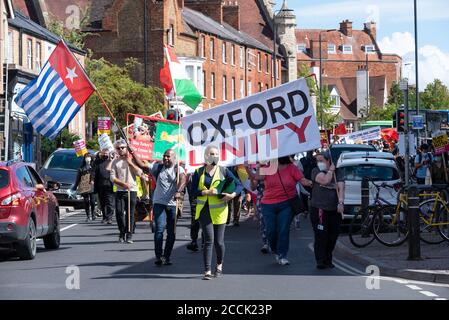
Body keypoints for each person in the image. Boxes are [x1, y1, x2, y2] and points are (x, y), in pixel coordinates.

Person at [248, 155, 312, 265]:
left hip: (286, 204)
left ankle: (282, 255)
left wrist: (314, 182)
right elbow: (255, 177)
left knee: (283, 230)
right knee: (270, 230)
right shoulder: (267, 167)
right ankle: (275, 249)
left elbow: (303, 180)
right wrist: (246, 168)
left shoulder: (292, 168)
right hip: (268, 204)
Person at [191, 145, 243, 280]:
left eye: (216, 154)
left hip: (220, 210)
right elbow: (192, 192)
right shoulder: (198, 172)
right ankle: (207, 270)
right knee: (208, 240)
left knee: (218, 242)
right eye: (212, 154)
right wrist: (206, 192)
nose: (214, 156)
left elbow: (239, 185)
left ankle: (219, 265)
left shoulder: (224, 171)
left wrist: (232, 195)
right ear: (206, 156)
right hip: (204, 210)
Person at [148, 149, 187, 266]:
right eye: (164, 156)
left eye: (168, 156)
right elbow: (142, 165)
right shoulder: (158, 167)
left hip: (172, 204)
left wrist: (178, 191)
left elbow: (183, 180)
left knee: (171, 232)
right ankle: (158, 256)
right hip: (159, 202)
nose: (165, 158)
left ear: (174, 158)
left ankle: (167, 256)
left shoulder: (178, 168)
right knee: (159, 229)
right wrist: (133, 153)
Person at [310, 151, 345, 269]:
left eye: (321, 160)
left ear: (329, 160)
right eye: (317, 161)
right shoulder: (315, 171)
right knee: (321, 235)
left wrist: (341, 202)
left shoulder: (338, 172)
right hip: (319, 208)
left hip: (333, 209)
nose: (319, 163)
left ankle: (328, 259)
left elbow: (341, 188)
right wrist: (330, 170)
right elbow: (324, 180)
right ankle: (320, 260)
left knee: (333, 236)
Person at [110, 140, 143, 243]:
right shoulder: (115, 161)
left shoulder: (132, 160)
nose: (120, 150)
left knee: (130, 213)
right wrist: (122, 184)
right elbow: (112, 177)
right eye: (118, 148)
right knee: (119, 212)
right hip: (120, 190)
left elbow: (139, 173)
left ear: (126, 148)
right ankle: (121, 231)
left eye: (122, 147)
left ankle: (129, 234)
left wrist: (130, 163)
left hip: (131, 190)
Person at [93, 149, 115, 224]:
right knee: (102, 203)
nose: (105, 155)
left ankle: (109, 218)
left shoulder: (111, 162)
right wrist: (92, 181)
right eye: (103, 154)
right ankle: (105, 217)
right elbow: (94, 173)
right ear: (101, 154)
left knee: (109, 202)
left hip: (109, 185)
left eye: (106, 153)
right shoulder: (97, 162)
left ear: (109, 154)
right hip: (100, 185)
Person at [72, 153, 96, 222]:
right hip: (84, 186)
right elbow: (78, 178)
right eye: (86, 157)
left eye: (89, 157)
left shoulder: (94, 166)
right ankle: (88, 216)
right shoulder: (81, 168)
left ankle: (93, 213)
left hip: (92, 186)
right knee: (86, 201)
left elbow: (95, 174)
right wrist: (75, 187)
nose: (87, 158)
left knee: (92, 201)